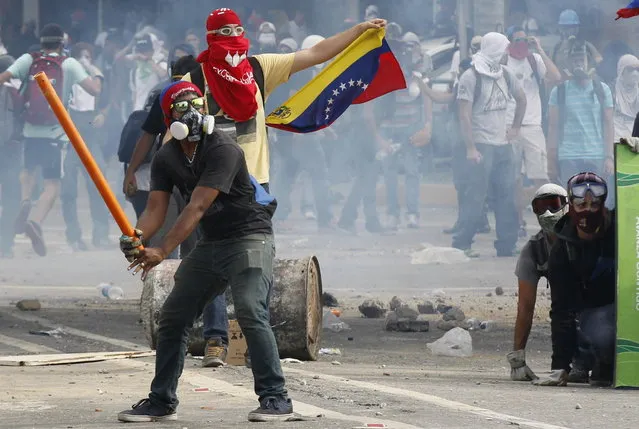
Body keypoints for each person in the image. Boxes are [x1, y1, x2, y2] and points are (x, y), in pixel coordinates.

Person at [117, 81, 290, 422]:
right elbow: (155, 209)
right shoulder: (166, 157)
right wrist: (137, 235)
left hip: (249, 237)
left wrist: (163, 249)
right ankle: (161, 400)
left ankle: (276, 398)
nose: (194, 113)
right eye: (183, 108)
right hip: (213, 242)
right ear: (170, 118)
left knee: (251, 311)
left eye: (197, 103)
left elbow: (196, 207)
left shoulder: (223, 149)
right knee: (173, 318)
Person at [181, 8, 387, 193]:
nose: (234, 36)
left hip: (254, 182)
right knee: (212, 237)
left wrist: (358, 30)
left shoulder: (260, 68)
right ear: (211, 37)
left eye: (238, 30)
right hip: (210, 184)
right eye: (225, 31)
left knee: (258, 236)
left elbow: (316, 53)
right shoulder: (193, 80)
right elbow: (179, 137)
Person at [0, 23, 102, 256]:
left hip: (29, 131)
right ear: (62, 43)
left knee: (27, 174)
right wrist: (94, 72)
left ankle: (25, 201)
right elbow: (94, 91)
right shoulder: (69, 64)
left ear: (42, 41)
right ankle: (35, 220)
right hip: (56, 134)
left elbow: (3, 77)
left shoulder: (28, 59)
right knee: (52, 184)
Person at [534, 172, 615, 387]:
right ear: (571, 207)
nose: (588, 210)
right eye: (581, 205)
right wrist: (559, 366)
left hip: (629, 303)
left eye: (594, 204)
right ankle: (594, 358)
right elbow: (561, 310)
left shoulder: (622, 229)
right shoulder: (563, 249)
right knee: (601, 329)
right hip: (594, 315)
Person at [453, 32, 526, 257]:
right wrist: (470, 147)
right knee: (475, 196)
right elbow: (464, 115)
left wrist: (515, 128)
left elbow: (522, 98)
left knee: (506, 196)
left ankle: (507, 245)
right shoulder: (470, 76)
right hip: (481, 146)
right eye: (504, 49)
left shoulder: (506, 74)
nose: (507, 54)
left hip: (502, 145)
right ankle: (462, 244)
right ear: (495, 50)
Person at [503, 26, 561, 237]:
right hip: (509, 127)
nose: (521, 45)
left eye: (524, 40)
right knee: (514, 179)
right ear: (509, 42)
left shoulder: (534, 60)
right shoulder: (504, 61)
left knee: (540, 177)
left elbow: (555, 76)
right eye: (517, 40)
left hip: (532, 126)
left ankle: (548, 222)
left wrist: (540, 49)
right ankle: (518, 222)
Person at [507, 184, 568, 381]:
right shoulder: (533, 250)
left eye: (554, 204)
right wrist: (517, 359)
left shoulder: (583, 238)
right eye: (540, 207)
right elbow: (525, 307)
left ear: (568, 206)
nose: (548, 212)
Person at [377, 31, 433, 229]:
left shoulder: (416, 77)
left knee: (412, 172)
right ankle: (393, 214)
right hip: (389, 130)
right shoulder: (382, 73)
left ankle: (412, 214)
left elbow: (427, 102)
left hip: (410, 131)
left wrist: (427, 125)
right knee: (390, 173)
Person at [62, 42, 110, 251]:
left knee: (98, 185)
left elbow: (107, 99)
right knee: (69, 189)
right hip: (71, 135)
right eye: (81, 55)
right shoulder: (67, 77)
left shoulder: (96, 76)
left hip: (90, 135)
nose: (84, 59)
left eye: (87, 55)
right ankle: (74, 237)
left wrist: (103, 114)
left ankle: (100, 234)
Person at [547, 43, 614, 188]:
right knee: (573, 204)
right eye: (574, 60)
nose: (578, 64)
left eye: (581, 60)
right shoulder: (558, 92)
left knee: (595, 204)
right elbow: (553, 127)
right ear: (569, 63)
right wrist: (551, 161)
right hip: (568, 157)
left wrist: (609, 157)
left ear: (588, 62)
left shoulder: (603, 90)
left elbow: (608, 125)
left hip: (596, 156)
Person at [0, 54, 21, 258]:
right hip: (9, 151)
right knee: (11, 198)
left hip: (8, 151)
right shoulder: (15, 92)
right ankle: (5, 244)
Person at [551, 9, 602, 80]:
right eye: (568, 27)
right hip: (563, 87)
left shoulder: (586, 46)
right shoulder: (556, 48)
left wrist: (591, 70)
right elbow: (549, 68)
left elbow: (599, 61)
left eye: (574, 26)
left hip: (582, 86)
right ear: (561, 29)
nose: (572, 30)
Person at [613, 55, 639, 141]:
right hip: (616, 136)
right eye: (630, 69)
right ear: (621, 71)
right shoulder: (611, 91)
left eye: (637, 69)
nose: (635, 73)